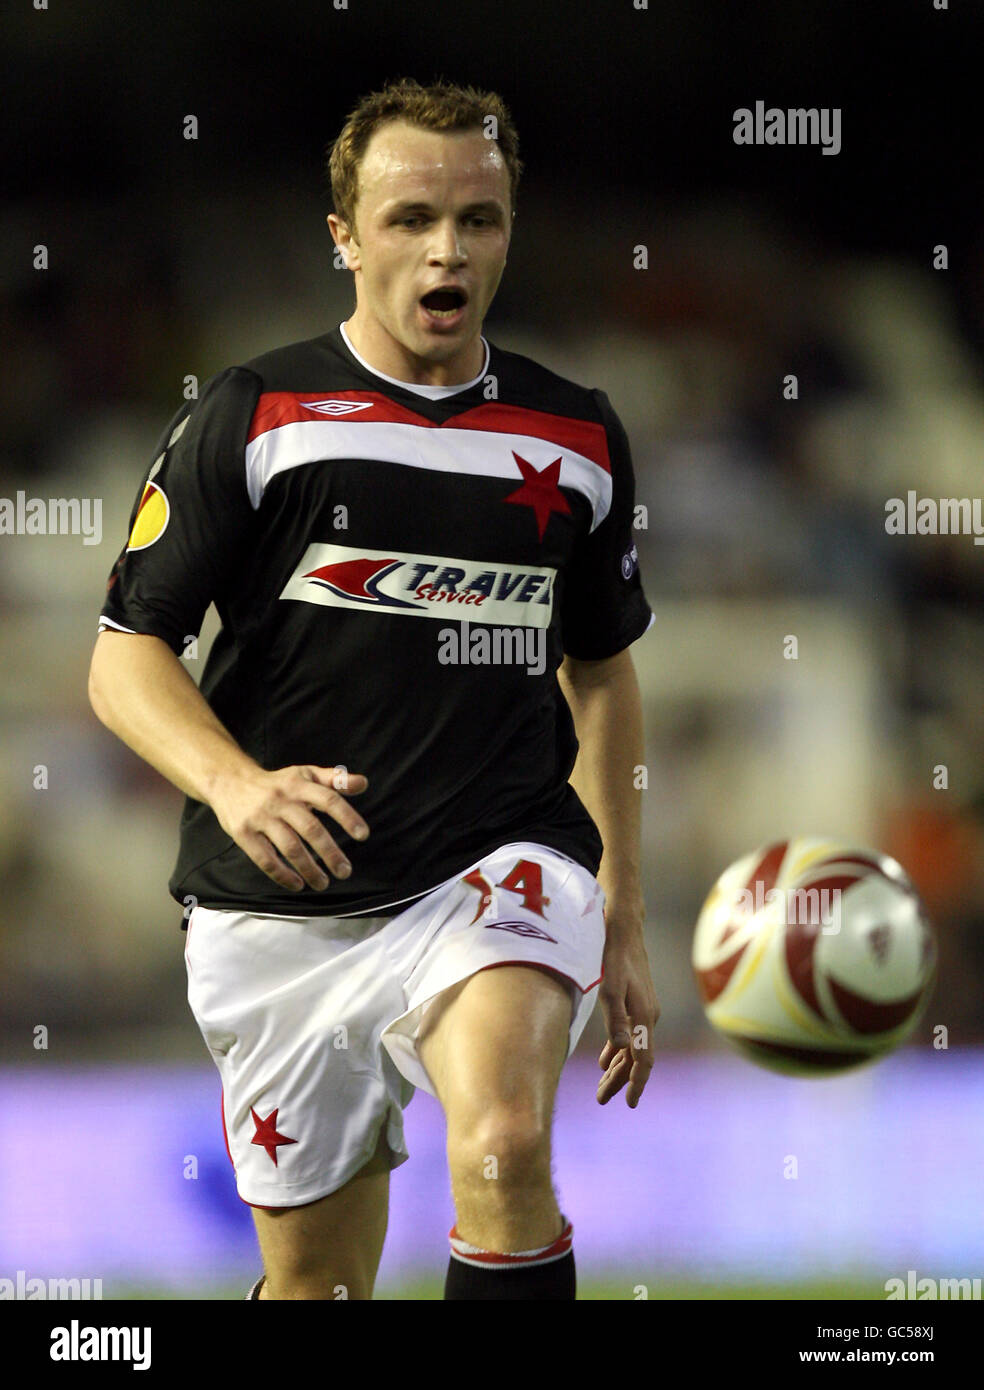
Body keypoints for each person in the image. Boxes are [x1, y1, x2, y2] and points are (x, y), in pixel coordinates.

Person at [88, 76, 659, 1301]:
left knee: (506, 1148)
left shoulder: (579, 436)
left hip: (498, 858)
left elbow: (602, 670)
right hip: (285, 903)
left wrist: (621, 894)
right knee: (319, 1289)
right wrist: (236, 787)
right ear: (344, 237)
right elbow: (123, 655)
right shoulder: (255, 416)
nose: (448, 248)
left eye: (481, 218)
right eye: (410, 219)